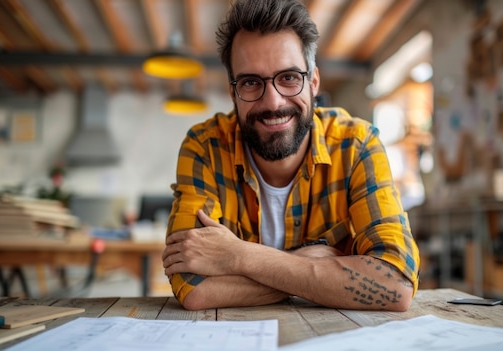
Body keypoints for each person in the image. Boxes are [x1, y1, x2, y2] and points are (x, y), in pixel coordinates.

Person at [161, 0, 420, 312]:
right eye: (251, 82)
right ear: (233, 93)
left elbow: (395, 284)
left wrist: (238, 256)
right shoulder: (204, 148)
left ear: (312, 83)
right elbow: (195, 291)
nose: (273, 102)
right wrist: (316, 268)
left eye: (288, 77)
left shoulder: (357, 145)